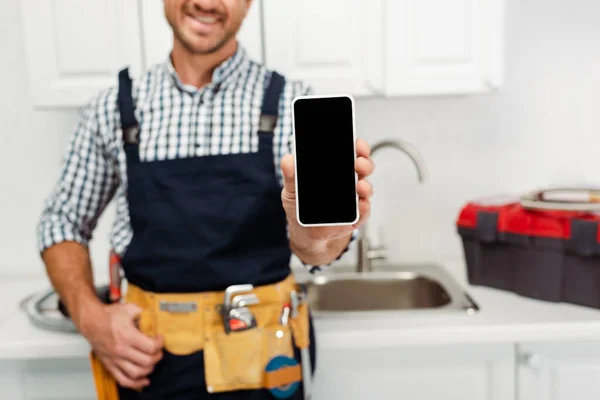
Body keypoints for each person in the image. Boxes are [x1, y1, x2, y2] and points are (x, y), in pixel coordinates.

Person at [36, 0, 375, 399]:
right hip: (149, 366)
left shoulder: (289, 105)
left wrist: (318, 238)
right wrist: (89, 315)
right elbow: (62, 221)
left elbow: (317, 250)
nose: (206, 2)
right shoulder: (113, 109)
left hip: (266, 365)